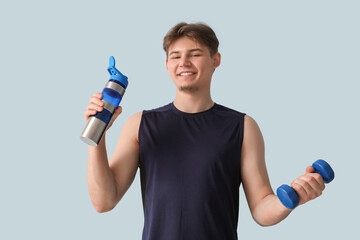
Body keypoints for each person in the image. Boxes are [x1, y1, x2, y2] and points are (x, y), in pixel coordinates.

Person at [84, 22, 326, 240]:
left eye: (195, 54)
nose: (184, 63)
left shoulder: (242, 127)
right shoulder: (140, 124)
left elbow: (262, 209)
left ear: (215, 60)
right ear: (167, 65)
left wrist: (292, 198)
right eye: (175, 56)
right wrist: (99, 135)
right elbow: (103, 201)